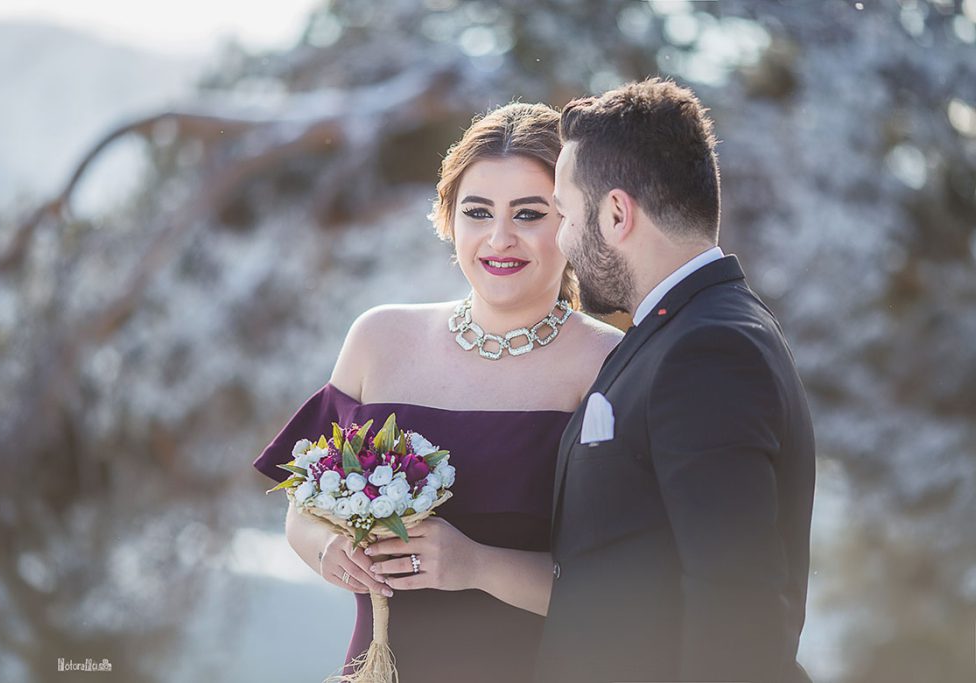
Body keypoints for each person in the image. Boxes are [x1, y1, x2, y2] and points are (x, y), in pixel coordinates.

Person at [253, 102, 623, 682]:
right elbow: (302, 508)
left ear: (574, 223)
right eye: (478, 212)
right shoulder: (380, 338)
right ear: (449, 219)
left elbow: (623, 591)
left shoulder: (612, 365)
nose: (500, 238)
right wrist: (327, 549)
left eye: (530, 214)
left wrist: (476, 564)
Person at [537, 78, 816, 683]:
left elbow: (737, 599)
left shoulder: (708, 349)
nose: (560, 239)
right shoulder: (683, 329)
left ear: (616, 213)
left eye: (563, 213)